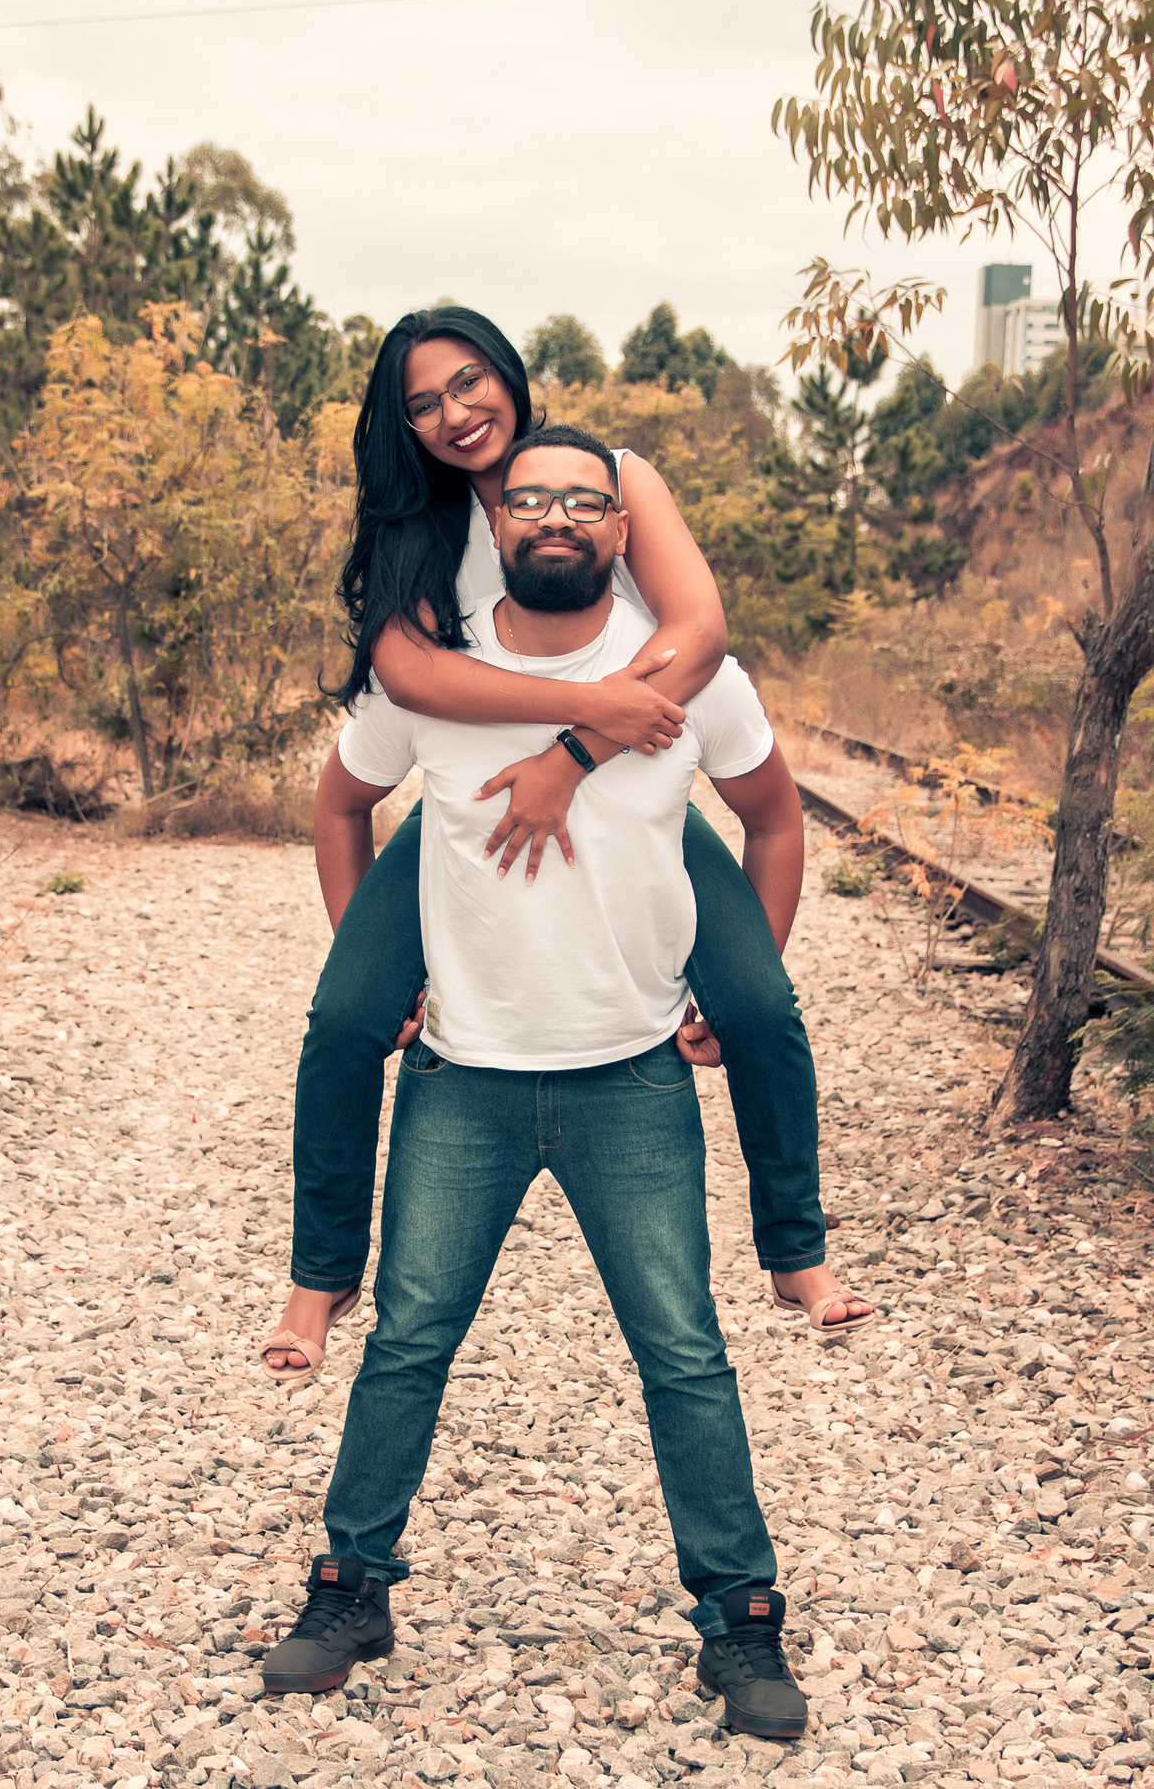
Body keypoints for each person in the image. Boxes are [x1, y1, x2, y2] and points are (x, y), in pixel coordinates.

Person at [259, 427, 812, 1738]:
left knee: (685, 1357)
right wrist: (371, 971)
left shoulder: (686, 676)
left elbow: (773, 815)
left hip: (631, 1082)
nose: (556, 517)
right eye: (529, 500)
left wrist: (730, 995)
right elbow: (339, 805)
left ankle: (741, 1623)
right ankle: (350, 1590)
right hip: (463, 1079)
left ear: (625, 531)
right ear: (489, 524)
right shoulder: (435, 684)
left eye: (587, 499)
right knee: (407, 1345)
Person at [259, 306, 872, 1381]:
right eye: (422, 404)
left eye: (467, 384)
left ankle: (797, 1252)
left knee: (763, 1009)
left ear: (507, 375)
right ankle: (320, 1277)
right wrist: (583, 711)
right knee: (344, 1019)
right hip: (476, 805)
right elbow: (414, 680)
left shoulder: (611, 477)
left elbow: (699, 630)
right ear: (402, 429)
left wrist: (574, 755)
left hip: (633, 794)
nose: (454, 414)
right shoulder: (424, 529)